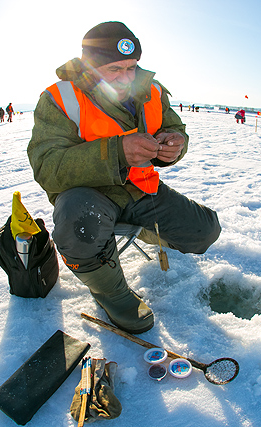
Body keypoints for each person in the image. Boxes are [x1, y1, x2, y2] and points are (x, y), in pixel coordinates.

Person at [27, 22, 221, 334]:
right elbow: (46, 165)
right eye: (115, 68)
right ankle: (111, 294)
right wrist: (116, 152)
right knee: (80, 224)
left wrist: (174, 145)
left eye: (131, 67)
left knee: (205, 230)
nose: (126, 77)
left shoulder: (152, 90)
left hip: (141, 189)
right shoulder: (60, 97)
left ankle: (144, 231)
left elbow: (174, 128)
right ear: (91, 66)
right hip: (89, 195)